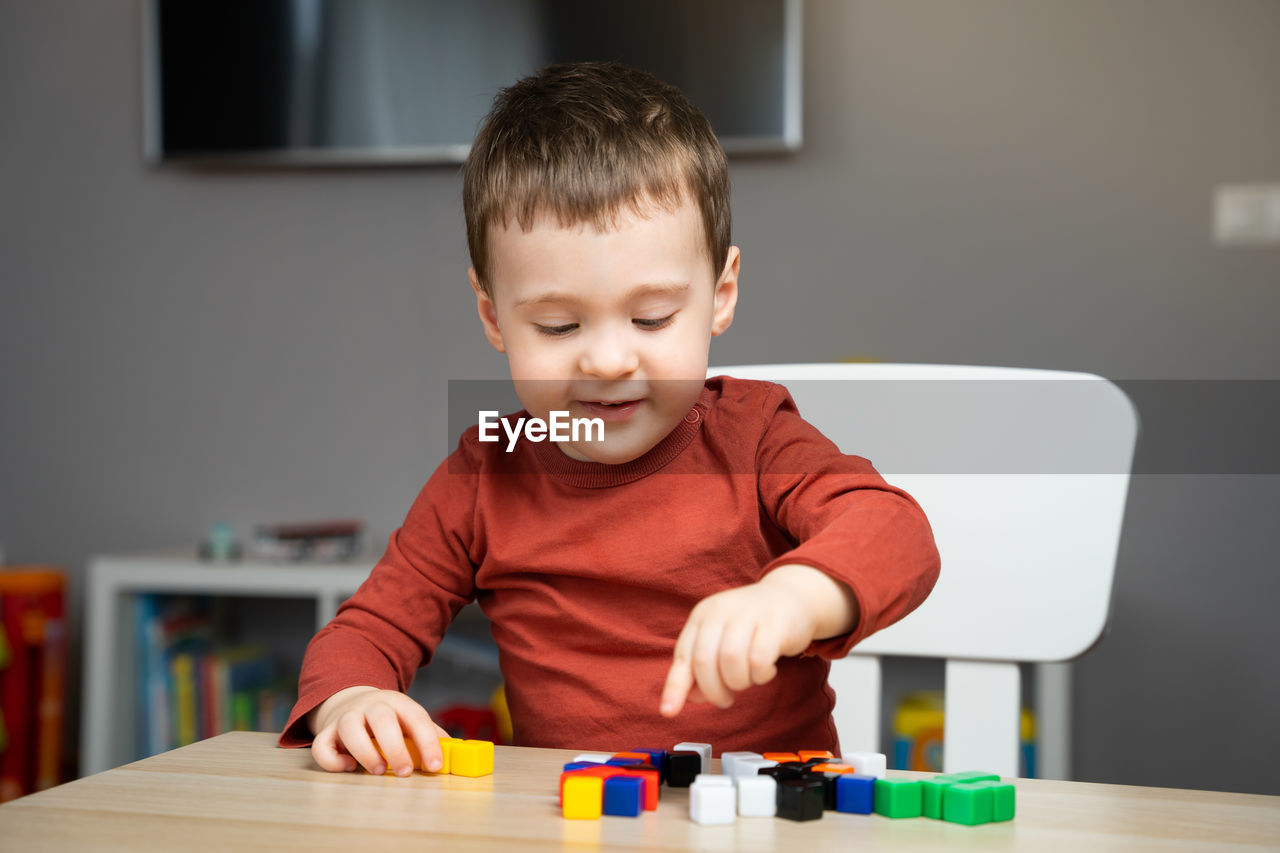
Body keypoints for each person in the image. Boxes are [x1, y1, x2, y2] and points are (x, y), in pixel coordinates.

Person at [279, 61, 940, 777]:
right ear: (493, 316)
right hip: (577, 820)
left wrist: (795, 596)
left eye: (651, 318)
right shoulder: (488, 467)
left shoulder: (757, 433)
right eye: (559, 326)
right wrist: (351, 701)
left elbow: (894, 530)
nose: (607, 359)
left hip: (766, 821)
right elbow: (367, 628)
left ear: (721, 293)